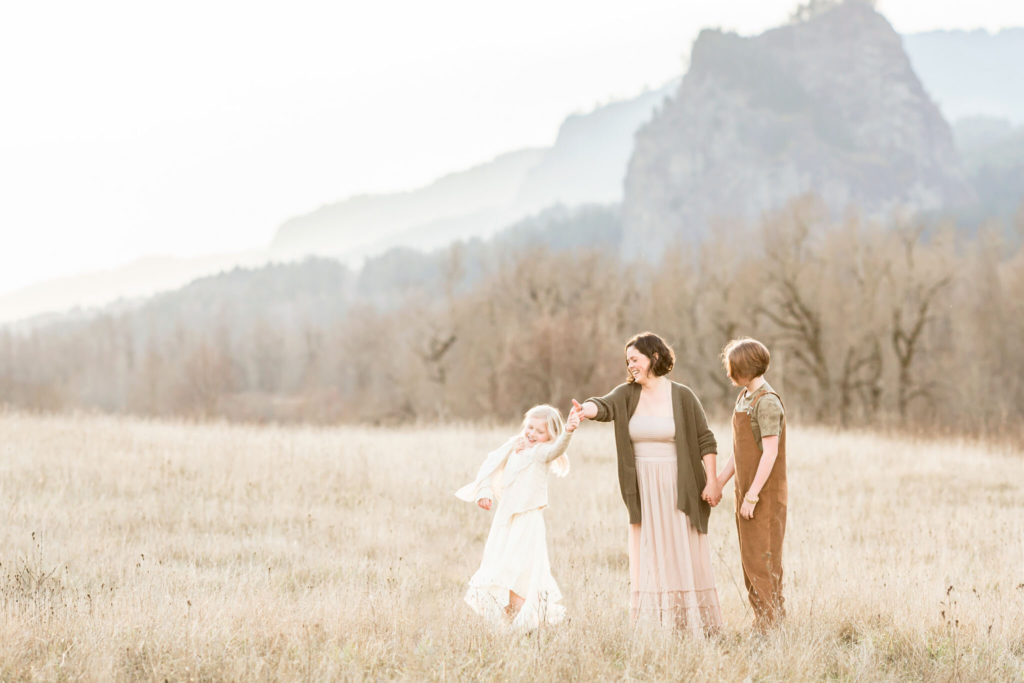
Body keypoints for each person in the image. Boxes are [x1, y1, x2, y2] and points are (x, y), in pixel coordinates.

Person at [572, 332, 723, 634]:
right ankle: (655, 624)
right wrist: (583, 412)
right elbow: (603, 406)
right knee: (650, 552)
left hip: (678, 484)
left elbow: (705, 439)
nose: (630, 366)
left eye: (635, 359)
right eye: (627, 361)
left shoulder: (682, 395)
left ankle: (689, 623)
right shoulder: (627, 394)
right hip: (643, 488)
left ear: (654, 358)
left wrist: (714, 482)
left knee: (681, 549)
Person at [455, 404, 579, 630]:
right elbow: (491, 464)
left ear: (550, 435)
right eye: (529, 427)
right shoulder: (515, 445)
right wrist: (484, 492)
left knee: (518, 567)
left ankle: (521, 621)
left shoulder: (542, 452)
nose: (532, 434)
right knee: (501, 564)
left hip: (527, 520)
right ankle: (510, 619)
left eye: (539, 431)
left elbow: (556, 450)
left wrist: (568, 432)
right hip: (505, 521)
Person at [716, 337, 787, 631]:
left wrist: (753, 496)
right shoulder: (745, 396)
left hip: (764, 496)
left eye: (734, 368)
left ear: (747, 367)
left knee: (764, 560)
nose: (731, 374)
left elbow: (769, 453)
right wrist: (720, 481)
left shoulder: (767, 402)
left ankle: (771, 626)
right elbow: (740, 449)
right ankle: (764, 621)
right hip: (745, 492)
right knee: (750, 561)